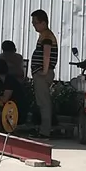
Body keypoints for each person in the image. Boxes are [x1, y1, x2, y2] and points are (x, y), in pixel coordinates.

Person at [30, 9, 58, 138]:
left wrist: (44, 71)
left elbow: (46, 54)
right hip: (41, 72)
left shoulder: (46, 36)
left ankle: (45, 131)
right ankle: (43, 128)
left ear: (43, 22)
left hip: (43, 73)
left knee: (44, 102)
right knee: (42, 101)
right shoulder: (44, 35)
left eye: (35, 22)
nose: (33, 24)